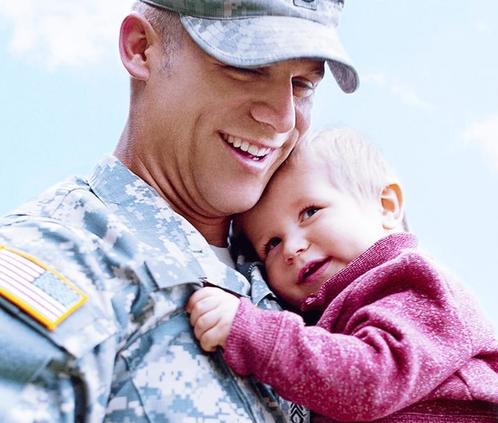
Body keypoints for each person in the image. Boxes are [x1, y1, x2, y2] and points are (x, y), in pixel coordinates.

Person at [0, 1, 357, 421]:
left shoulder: (299, 272)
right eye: (248, 67)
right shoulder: (61, 258)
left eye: (302, 85)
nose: (281, 119)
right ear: (141, 49)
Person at [187, 128, 498, 422]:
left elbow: (370, 379)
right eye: (272, 244)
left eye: (310, 212)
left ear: (385, 207)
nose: (292, 247)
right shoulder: (323, 318)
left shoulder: (412, 282)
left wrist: (251, 331)